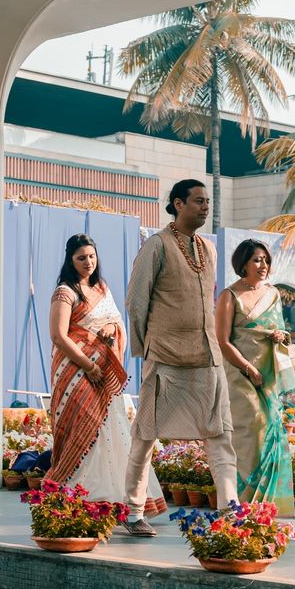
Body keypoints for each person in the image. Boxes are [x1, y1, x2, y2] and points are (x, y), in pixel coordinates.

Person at [124, 180, 238, 534]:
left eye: (208, 201)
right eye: (198, 201)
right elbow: (136, 302)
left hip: (207, 355)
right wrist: (146, 349)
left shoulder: (208, 248)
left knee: (220, 435)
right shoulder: (156, 246)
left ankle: (230, 511)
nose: (205, 207)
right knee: (145, 435)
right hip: (166, 358)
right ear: (177, 204)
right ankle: (132, 512)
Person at [49, 235, 165, 527]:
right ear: (69, 260)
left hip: (103, 370)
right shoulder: (65, 292)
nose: (88, 262)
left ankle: (114, 500)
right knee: (83, 428)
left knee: (110, 432)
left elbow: (113, 323)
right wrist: (88, 365)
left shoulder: (101, 288)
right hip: (75, 372)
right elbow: (59, 335)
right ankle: (76, 498)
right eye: (81, 258)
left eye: (91, 256)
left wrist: (109, 333)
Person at [215, 239, 295, 515]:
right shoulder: (230, 296)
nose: (262, 265)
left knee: (270, 432)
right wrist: (248, 368)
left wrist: (280, 336)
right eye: (256, 260)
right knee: (250, 432)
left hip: (268, 373)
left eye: (265, 259)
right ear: (242, 264)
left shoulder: (273, 294)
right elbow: (222, 341)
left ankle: (268, 505)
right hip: (240, 374)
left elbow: (282, 332)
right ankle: (242, 502)